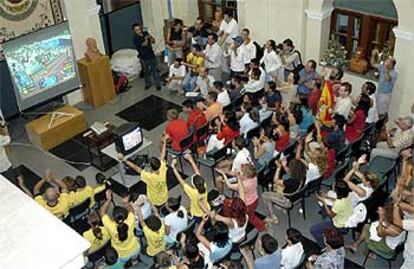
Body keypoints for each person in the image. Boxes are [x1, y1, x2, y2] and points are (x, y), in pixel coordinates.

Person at [263, 156, 307, 224]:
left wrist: (278, 168)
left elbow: (275, 180)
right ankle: (281, 207)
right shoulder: (303, 175)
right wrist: (284, 166)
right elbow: (291, 173)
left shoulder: (290, 181)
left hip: (287, 200)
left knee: (265, 195)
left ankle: (273, 217)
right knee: (278, 185)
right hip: (295, 195)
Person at [100, 191, 140, 264]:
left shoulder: (110, 226)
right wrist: (126, 203)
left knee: (122, 263)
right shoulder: (130, 221)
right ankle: (134, 262)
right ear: (125, 215)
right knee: (134, 260)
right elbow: (132, 211)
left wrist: (108, 200)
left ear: (114, 218)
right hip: (135, 249)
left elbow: (102, 212)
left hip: (122, 255)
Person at [310, 180, 352, 248]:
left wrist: (324, 201)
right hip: (345, 219)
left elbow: (331, 215)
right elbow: (337, 200)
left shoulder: (338, 204)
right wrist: (327, 197)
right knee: (325, 210)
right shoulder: (348, 196)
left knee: (313, 230)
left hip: (338, 225)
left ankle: (325, 246)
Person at [132, 23, 161, 90]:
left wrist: (150, 37)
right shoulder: (135, 39)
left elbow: (153, 41)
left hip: (151, 55)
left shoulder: (146, 33)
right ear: (134, 31)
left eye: (139, 29)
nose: (139, 31)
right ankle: (148, 83)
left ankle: (158, 84)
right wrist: (146, 38)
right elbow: (145, 44)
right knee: (146, 72)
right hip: (143, 57)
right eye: (136, 30)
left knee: (154, 71)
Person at [0, 120, 15, 184]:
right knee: (12, 184)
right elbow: (8, 139)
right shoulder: (1, 138)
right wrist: (3, 126)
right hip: (5, 167)